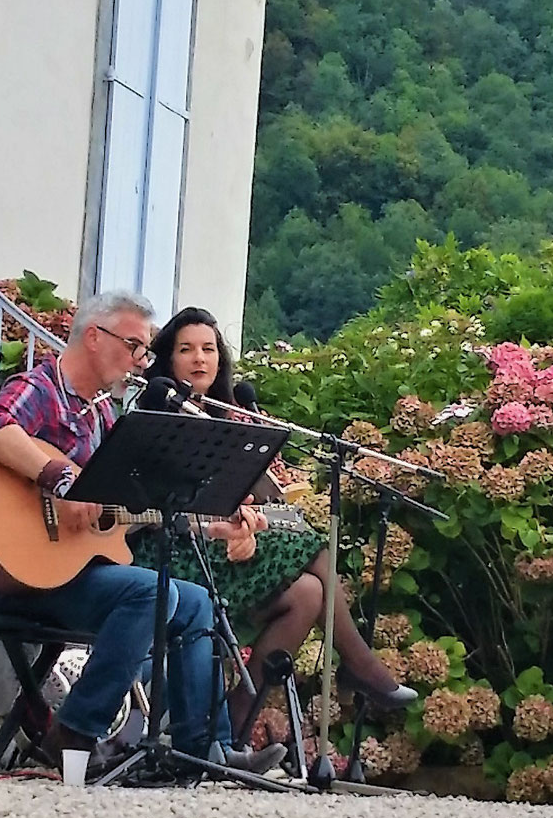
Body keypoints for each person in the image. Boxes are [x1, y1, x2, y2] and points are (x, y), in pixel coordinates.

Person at [0, 288, 276, 772]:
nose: (140, 359)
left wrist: (216, 525)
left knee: (194, 600)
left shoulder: (104, 414)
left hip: (74, 571)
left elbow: (128, 511)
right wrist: (59, 478)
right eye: (133, 345)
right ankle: (71, 736)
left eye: (143, 349)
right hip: (23, 575)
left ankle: (203, 751)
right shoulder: (45, 388)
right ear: (93, 336)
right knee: (153, 595)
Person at [133, 307, 416, 741]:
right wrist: (220, 529)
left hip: (225, 547)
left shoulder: (234, 416)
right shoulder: (155, 414)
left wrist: (251, 525)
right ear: (167, 360)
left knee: (307, 592)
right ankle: (360, 665)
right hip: (169, 551)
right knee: (312, 547)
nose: (199, 359)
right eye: (186, 349)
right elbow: (151, 505)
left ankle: (233, 730)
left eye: (209, 349)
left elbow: (266, 499)